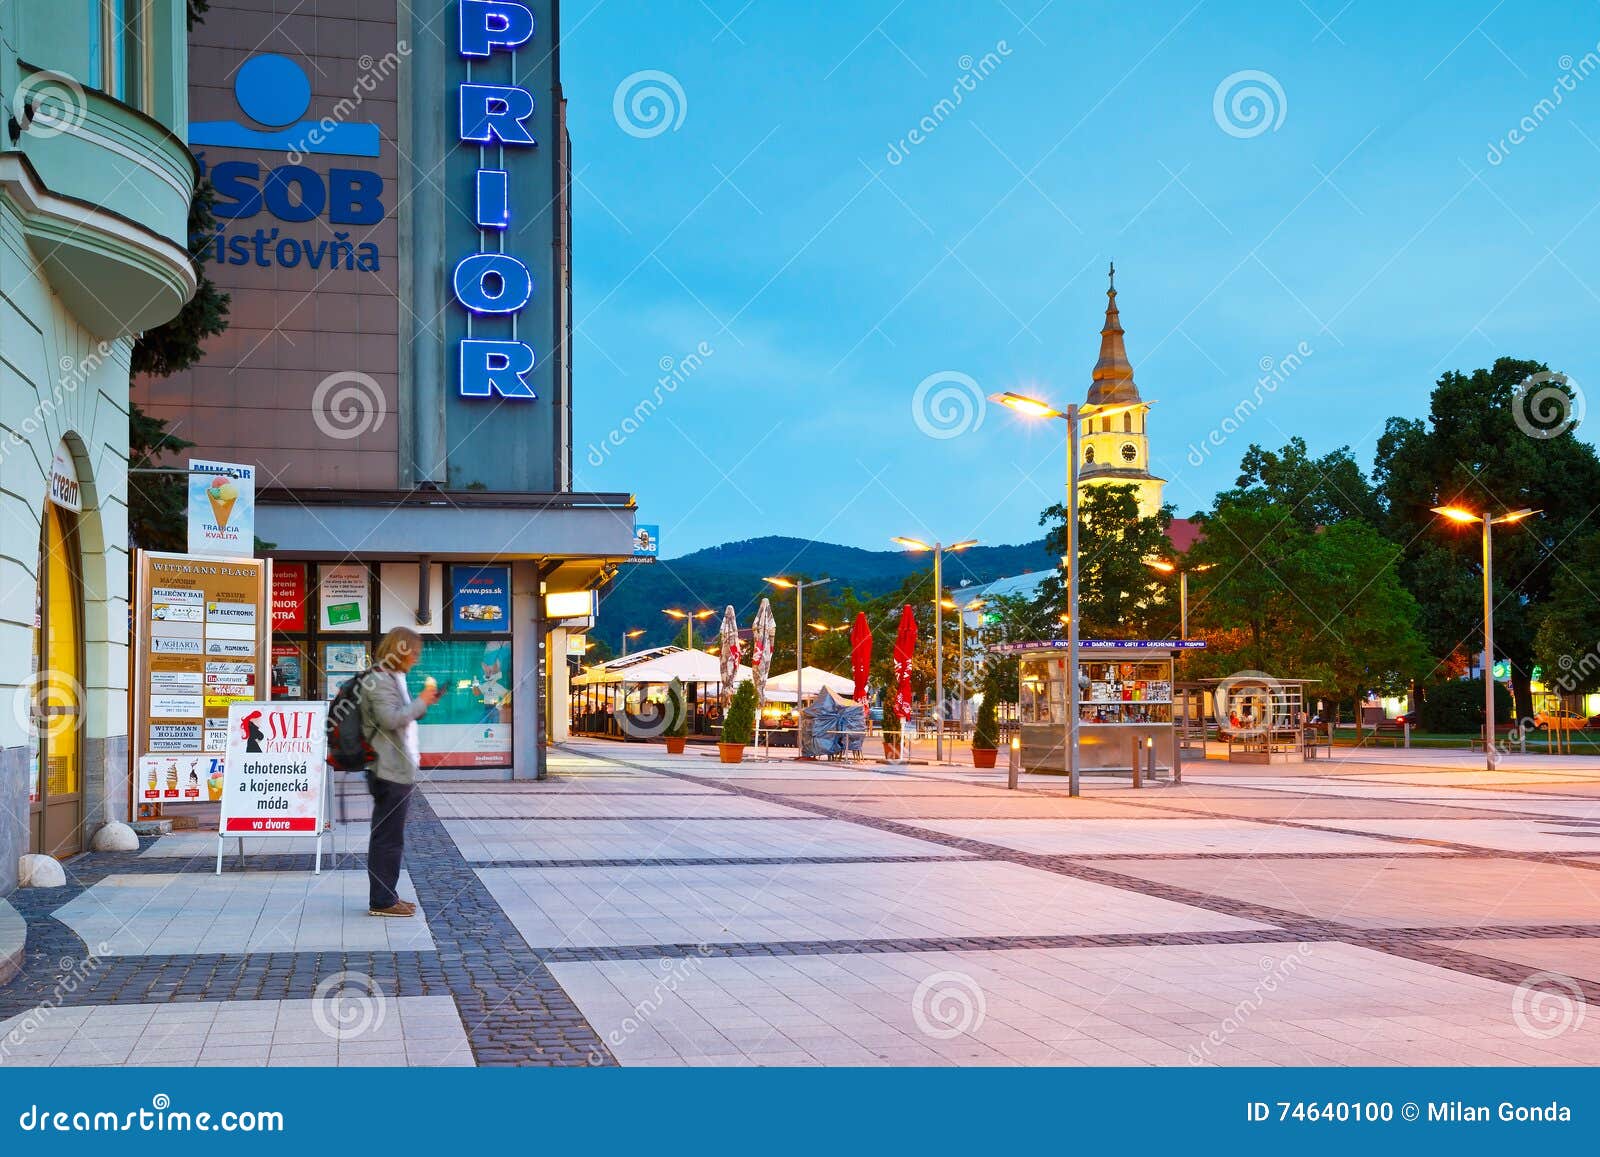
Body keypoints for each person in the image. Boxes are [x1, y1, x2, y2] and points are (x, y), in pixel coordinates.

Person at [359, 627, 441, 917]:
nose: (416, 660)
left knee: (391, 836)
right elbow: (390, 719)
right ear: (401, 651)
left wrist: (421, 703)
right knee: (387, 837)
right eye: (414, 653)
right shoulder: (379, 679)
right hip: (387, 770)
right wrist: (423, 702)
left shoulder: (392, 678)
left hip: (397, 768)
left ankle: (387, 894)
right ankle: (381, 901)